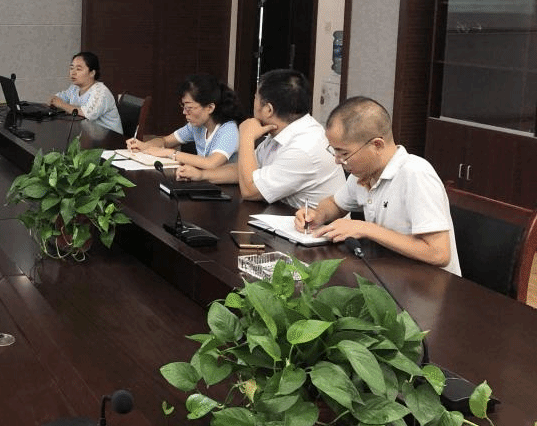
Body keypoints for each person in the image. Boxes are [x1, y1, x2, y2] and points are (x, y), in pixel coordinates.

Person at [295, 96, 461, 275]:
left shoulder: (415, 174)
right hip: (389, 272)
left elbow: (439, 254)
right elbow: (335, 204)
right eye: (334, 151)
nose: (337, 161)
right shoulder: (364, 173)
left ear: (377, 145)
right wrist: (317, 215)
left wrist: (367, 229)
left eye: (344, 153)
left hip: (430, 283)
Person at [181, 69, 344, 206]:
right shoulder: (282, 130)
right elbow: (247, 171)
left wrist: (245, 136)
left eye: (256, 98)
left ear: (268, 110)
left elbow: (250, 190)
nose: (253, 103)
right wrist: (202, 175)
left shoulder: (304, 147)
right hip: (286, 218)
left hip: (316, 231)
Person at [125, 73, 245, 171]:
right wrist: (144, 146)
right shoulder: (197, 126)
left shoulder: (229, 130)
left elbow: (211, 163)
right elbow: (165, 141)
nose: (184, 112)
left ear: (210, 108)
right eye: (183, 106)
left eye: (189, 107)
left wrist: (170, 153)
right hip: (204, 184)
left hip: (227, 190)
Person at [49, 51, 123, 134]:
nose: (73, 73)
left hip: (111, 138)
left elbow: (88, 114)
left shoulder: (101, 92)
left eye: (78, 69)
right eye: (71, 68)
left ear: (92, 73)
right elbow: (59, 97)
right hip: (88, 134)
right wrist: (54, 100)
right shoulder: (74, 88)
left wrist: (61, 104)